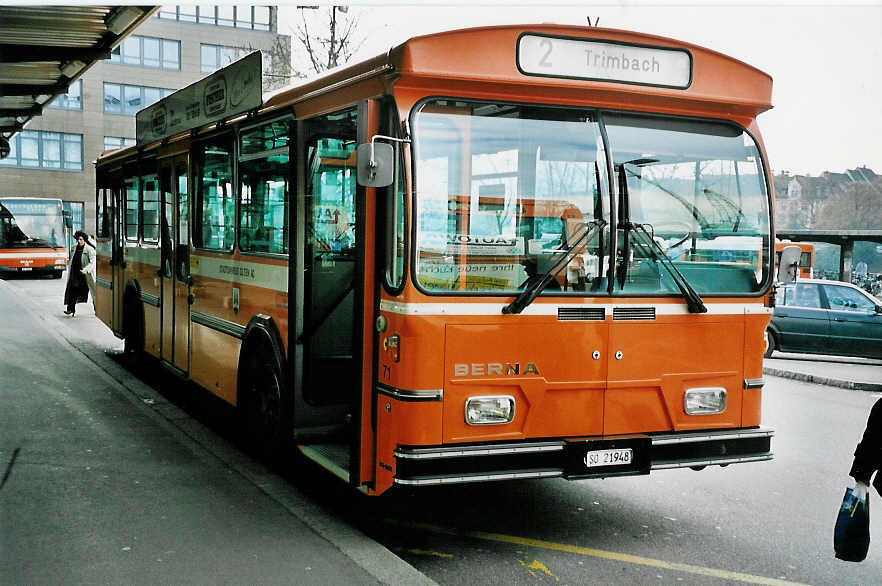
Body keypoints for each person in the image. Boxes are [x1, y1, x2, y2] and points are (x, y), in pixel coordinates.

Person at [849, 398, 882, 497]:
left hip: (868, 460)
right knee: (859, 494)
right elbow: (870, 440)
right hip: (869, 458)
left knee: (859, 494)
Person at [63, 230, 95, 316]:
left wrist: (86, 270)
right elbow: (71, 259)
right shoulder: (73, 248)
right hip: (75, 273)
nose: (79, 241)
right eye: (78, 239)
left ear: (84, 240)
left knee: (93, 292)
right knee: (72, 290)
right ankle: (70, 309)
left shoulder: (90, 249)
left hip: (85, 274)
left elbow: (92, 262)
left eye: (81, 239)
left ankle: (97, 308)